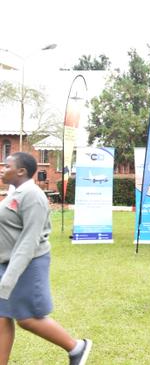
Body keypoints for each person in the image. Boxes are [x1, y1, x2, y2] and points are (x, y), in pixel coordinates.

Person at [0, 152, 92, 365]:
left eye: (7, 166)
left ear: (21, 171)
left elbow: (29, 241)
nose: (3, 169)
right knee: (2, 316)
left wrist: (9, 279)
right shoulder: (16, 192)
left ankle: (77, 347)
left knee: (27, 318)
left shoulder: (32, 195)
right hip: (8, 261)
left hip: (27, 263)